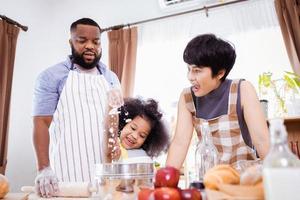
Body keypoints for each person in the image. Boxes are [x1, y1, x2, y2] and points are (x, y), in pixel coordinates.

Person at [32, 18, 122, 197]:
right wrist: (43, 168)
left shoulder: (111, 78)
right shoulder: (51, 77)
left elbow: (115, 125)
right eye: (82, 41)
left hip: (104, 174)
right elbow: (41, 123)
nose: (90, 46)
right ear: (71, 42)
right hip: (66, 176)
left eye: (96, 42)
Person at [166, 34, 270, 169]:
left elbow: (262, 141)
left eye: (197, 70)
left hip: (243, 180)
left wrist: (278, 181)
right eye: (189, 69)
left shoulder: (242, 90)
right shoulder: (187, 97)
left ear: (220, 73)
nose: (190, 77)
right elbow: (180, 143)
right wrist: (164, 184)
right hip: (211, 180)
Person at [110, 98, 170, 162]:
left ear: (147, 140)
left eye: (142, 135)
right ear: (124, 123)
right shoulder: (110, 142)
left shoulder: (142, 157)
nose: (134, 136)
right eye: (133, 128)